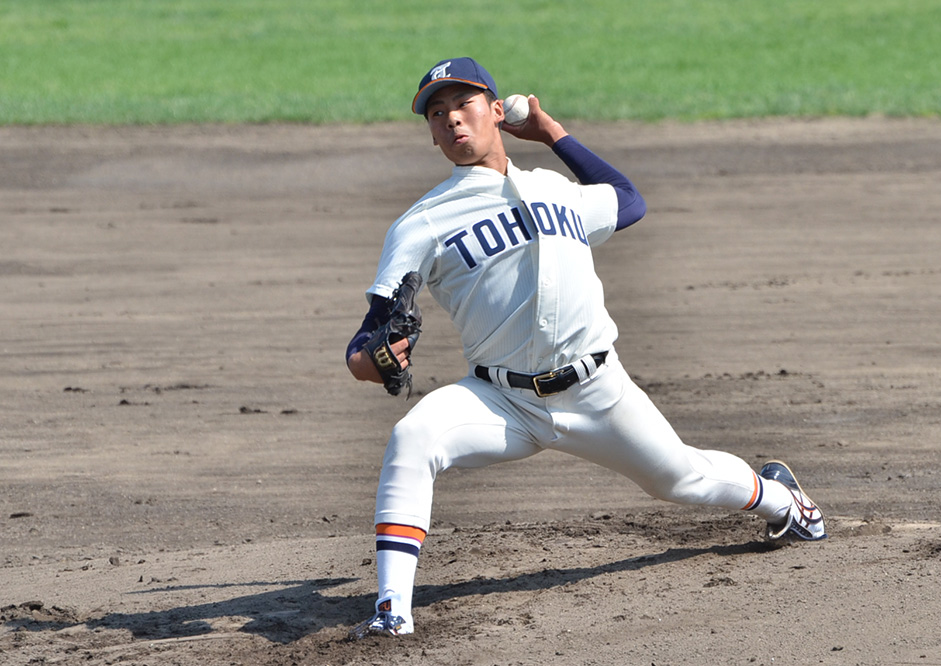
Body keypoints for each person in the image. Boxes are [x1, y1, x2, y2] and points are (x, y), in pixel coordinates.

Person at [344, 57, 826, 640]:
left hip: (599, 391)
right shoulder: (421, 224)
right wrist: (376, 360)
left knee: (681, 480)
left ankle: (783, 501)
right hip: (501, 402)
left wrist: (552, 133)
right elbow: (365, 344)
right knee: (413, 437)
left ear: (496, 111)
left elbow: (629, 199)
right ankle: (392, 609)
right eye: (437, 113)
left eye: (463, 105)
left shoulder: (561, 193)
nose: (451, 121)